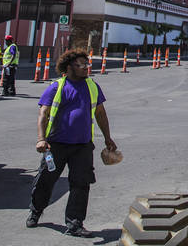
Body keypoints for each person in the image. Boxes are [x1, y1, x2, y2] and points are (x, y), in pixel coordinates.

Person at [29, 49, 118, 237]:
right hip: (56, 145)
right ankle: (36, 210)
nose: (86, 68)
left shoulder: (92, 86)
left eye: (87, 64)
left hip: (83, 146)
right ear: (69, 67)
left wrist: (108, 138)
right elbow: (43, 114)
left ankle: (75, 223)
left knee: (81, 184)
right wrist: (41, 139)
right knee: (45, 180)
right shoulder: (56, 87)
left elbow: (100, 113)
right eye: (81, 65)